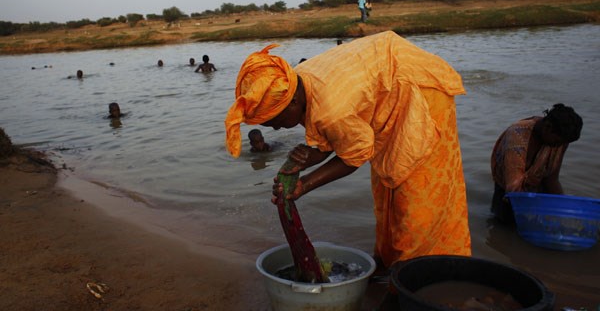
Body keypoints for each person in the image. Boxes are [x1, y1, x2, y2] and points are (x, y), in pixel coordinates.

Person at [224, 31, 472, 268]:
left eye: (276, 122)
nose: (277, 130)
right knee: (388, 189)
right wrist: (312, 156)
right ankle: (391, 263)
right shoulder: (295, 80)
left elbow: (354, 156)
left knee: (417, 196)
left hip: (418, 87)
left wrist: (305, 184)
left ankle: (421, 274)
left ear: (293, 102)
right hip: (387, 81)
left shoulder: (331, 109)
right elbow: (339, 132)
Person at [490, 104, 583, 223]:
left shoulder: (560, 139)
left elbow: (551, 179)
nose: (559, 146)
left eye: (563, 143)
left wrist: (563, 210)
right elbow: (513, 188)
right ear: (548, 127)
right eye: (558, 142)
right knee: (503, 226)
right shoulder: (517, 135)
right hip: (507, 191)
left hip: (534, 188)